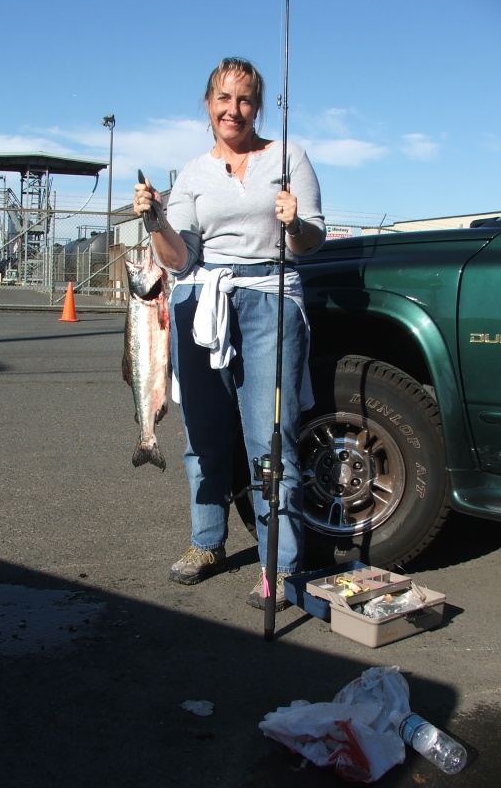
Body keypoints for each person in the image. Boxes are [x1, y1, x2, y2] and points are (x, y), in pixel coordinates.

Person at [133, 57, 325, 611]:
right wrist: (155, 221)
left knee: (272, 438)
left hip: (271, 298)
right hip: (202, 301)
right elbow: (178, 257)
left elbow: (311, 242)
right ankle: (206, 541)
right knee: (203, 433)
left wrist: (295, 224)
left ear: (258, 105)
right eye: (223, 98)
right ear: (208, 104)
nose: (232, 110)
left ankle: (280, 565)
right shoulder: (193, 174)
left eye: (243, 99)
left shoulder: (289, 157)